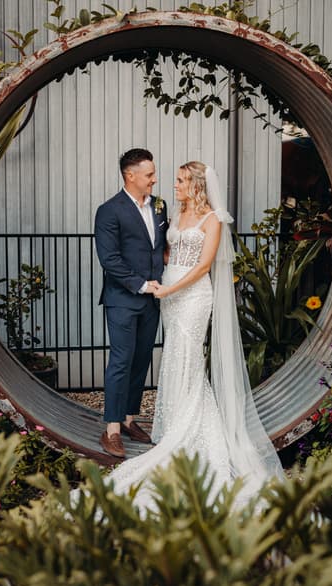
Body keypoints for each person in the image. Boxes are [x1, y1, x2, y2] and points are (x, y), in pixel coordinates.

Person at [94, 160, 284, 511]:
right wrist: (157, 281)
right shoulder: (140, 211)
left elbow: (201, 265)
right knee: (153, 357)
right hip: (158, 293)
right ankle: (121, 426)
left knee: (181, 355)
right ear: (130, 175)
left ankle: (170, 422)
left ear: (196, 185)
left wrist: (169, 286)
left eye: (180, 179)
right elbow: (149, 253)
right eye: (153, 175)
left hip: (189, 295)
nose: (166, 182)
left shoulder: (205, 218)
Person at [94, 148, 168, 459]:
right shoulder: (109, 211)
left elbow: (162, 248)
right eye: (149, 174)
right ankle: (111, 428)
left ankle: (127, 419)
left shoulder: (160, 207)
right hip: (123, 299)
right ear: (130, 176)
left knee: (141, 360)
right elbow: (109, 259)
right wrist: (140, 284)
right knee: (121, 361)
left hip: (153, 300)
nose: (155, 179)